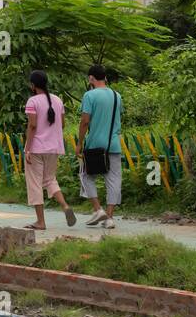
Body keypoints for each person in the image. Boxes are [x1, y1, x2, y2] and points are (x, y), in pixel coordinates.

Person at [22, 70, 76, 229]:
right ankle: (65, 206)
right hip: (54, 148)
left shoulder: (32, 101)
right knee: (50, 179)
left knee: (35, 183)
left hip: (37, 148)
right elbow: (63, 124)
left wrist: (27, 148)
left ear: (33, 85)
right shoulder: (58, 100)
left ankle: (40, 222)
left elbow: (32, 126)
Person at [77, 64, 122, 228]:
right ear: (105, 77)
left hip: (95, 144)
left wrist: (79, 143)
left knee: (85, 176)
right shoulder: (117, 96)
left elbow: (85, 121)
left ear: (91, 78)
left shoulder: (89, 95)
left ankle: (98, 209)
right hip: (114, 144)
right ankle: (109, 218)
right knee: (114, 180)